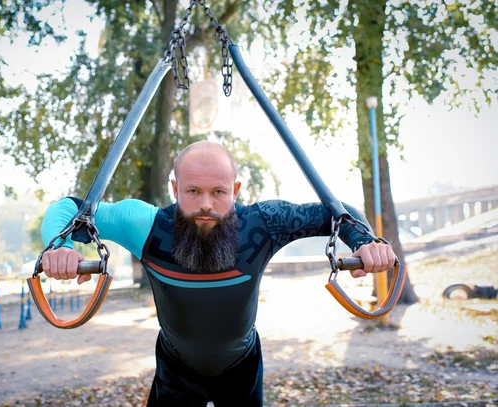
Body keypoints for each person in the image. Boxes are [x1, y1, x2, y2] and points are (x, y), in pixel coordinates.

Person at [40, 141, 396, 407]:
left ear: (236, 191)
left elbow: (337, 213)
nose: (206, 204)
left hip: (242, 368)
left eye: (219, 192)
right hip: (174, 369)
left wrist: (365, 242)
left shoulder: (264, 223)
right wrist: (59, 248)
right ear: (175, 189)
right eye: (193, 191)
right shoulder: (144, 225)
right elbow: (70, 208)